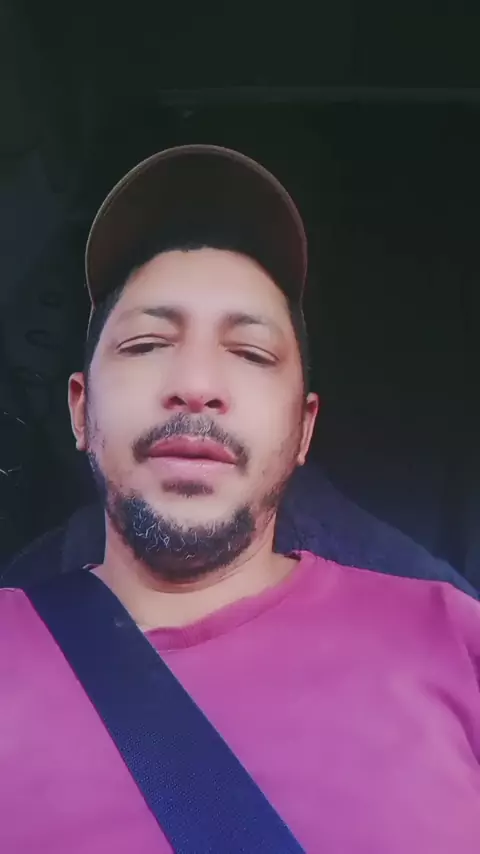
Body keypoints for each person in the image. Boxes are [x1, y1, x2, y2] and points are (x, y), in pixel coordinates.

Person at [0, 145, 478, 853]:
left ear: (303, 429)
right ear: (80, 410)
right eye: (146, 344)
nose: (196, 385)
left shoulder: (451, 637)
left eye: (251, 354)